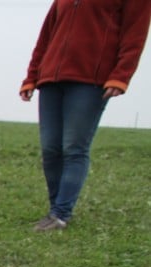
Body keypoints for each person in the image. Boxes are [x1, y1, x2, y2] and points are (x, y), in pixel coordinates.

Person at [19, 0, 151, 231]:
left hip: (90, 81)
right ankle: (54, 210)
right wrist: (31, 76)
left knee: (74, 147)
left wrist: (121, 75)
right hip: (50, 80)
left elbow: (135, 34)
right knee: (50, 149)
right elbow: (46, 35)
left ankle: (61, 214)